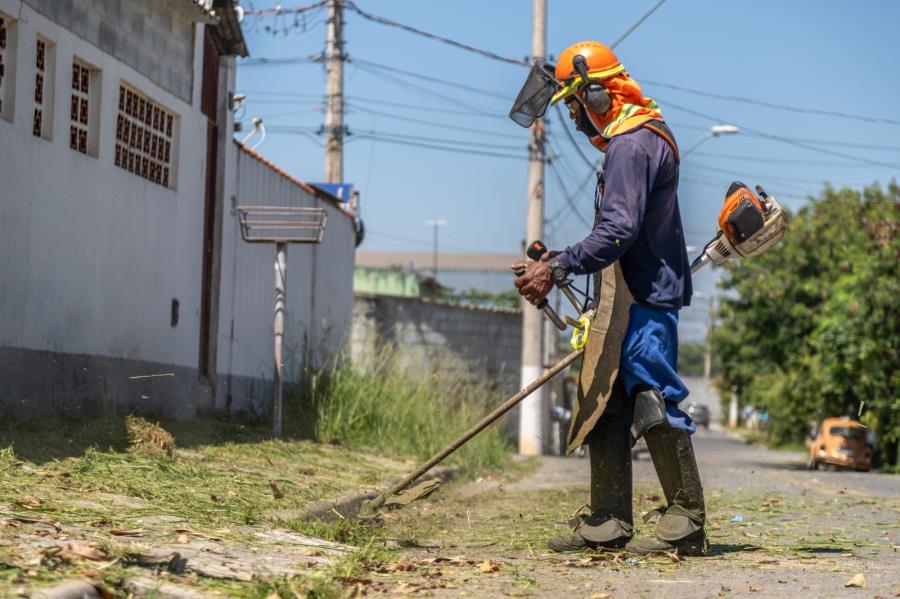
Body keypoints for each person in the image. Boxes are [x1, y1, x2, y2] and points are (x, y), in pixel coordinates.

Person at [509, 41, 706, 556]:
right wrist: (558, 258)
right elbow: (620, 232)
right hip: (632, 293)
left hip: (646, 296)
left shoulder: (632, 145)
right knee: (610, 401)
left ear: (599, 96)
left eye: (574, 104)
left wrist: (556, 266)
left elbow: (618, 230)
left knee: (651, 394)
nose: (573, 118)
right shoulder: (641, 136)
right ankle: (609, 522)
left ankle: (687, 518)